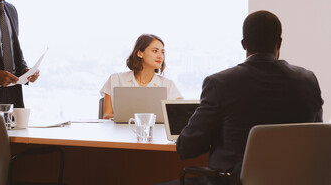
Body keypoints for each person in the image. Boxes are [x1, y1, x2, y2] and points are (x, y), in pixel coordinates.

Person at [161, 10, 323, 185]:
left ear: (244, 44)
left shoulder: (220, 83)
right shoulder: (308, 79)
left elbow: (186, 147)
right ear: (280, 42)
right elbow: (315, 138)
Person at [100, 34, 183, 119]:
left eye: (162, 52)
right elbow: (107, 116)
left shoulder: (168, 85)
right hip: (120, 131)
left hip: (156, 132)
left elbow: (180, 115)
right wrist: (140, 120)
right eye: (155, 51)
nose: (160, 56)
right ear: (140, 53)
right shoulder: (115, 79)